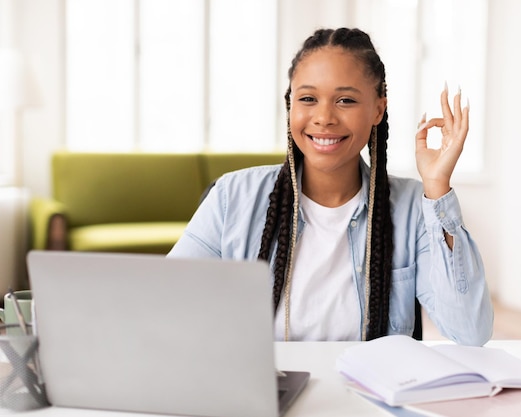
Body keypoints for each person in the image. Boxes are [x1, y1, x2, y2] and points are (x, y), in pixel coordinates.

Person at [168, 27, 493, 345]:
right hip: (265, 394)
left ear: (378, 108)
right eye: (308, 98)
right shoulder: (232, 197)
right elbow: (168, 304)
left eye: (345, 101)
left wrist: (437, 187)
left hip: (369, 393)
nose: (324, 117)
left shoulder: (412, 208)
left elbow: (470, 331)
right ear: (290, 104)